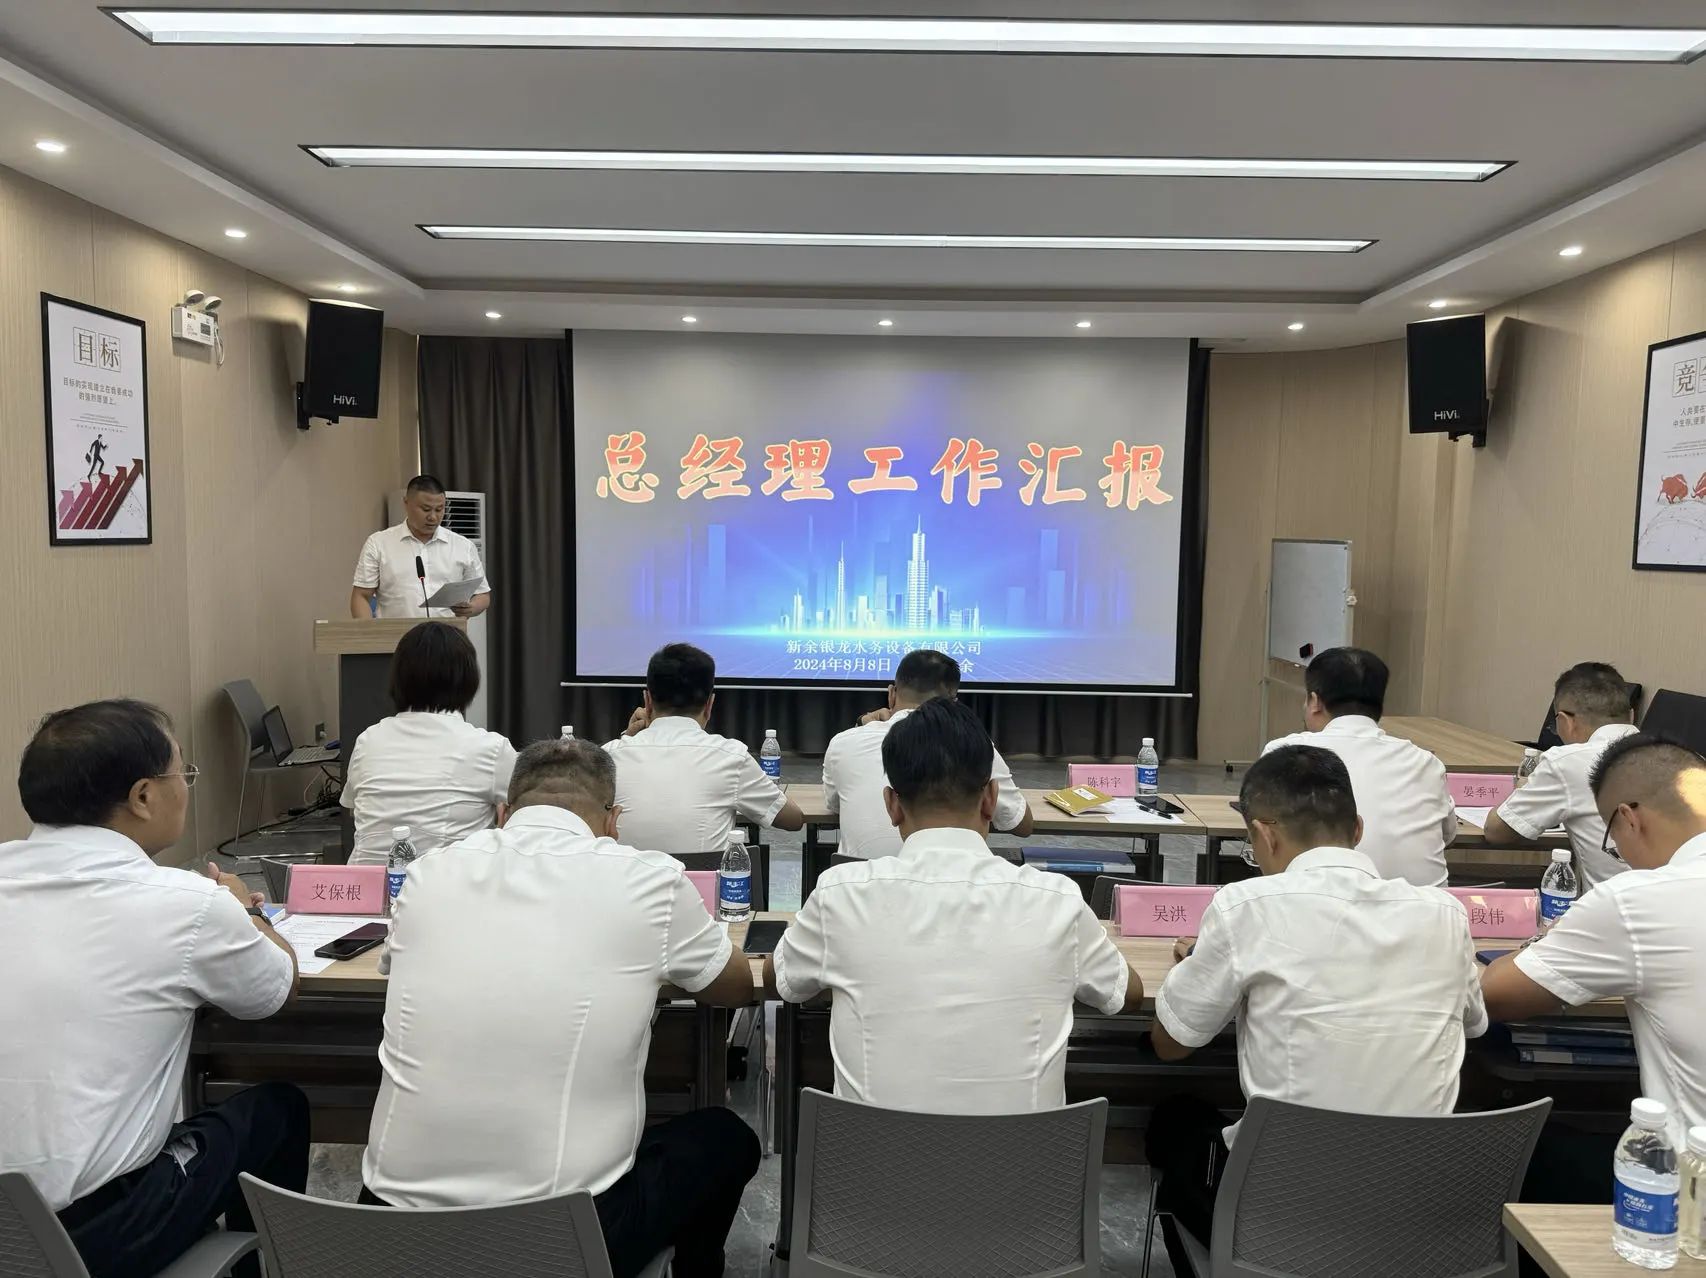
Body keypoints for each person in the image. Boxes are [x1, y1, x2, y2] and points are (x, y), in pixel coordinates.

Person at [361, 737, 761, 1278]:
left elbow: (395, 965)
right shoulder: (649, 879)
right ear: (613, 821)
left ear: (503, 814)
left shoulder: (429, 873)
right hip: (558, 1242)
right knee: (724, 1138)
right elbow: (735, 988)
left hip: (384, 1233)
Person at [1146, 745, 1486, 1271]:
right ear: (1358, 829)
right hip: (1416, 1214)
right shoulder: (1446, 914)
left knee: (1174, 1122)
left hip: (1281, 1210)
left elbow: (1171, 1044)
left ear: (1264, 835)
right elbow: (1474, 1024)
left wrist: (1203, 965)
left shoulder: (1245, 908)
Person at [0, 700, 305, 1278]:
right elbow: (277, 989)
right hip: (91, 1235)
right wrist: (247, 912)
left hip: (11, 1224)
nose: (186, 788)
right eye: (183, 773)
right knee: (277, 1111)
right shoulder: (188, 905)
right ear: (143, 796)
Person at [767, 697, 1143, 1113]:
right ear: (991, 798)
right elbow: (1126, 994)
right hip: (1024, 1158)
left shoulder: (839, 894)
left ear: (891, 804)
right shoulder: (1059, 901)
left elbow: (779, 979)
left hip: (873, 1156)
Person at [1481, 733, 1706, 1206]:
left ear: (1629, 819)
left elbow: (1492, 995)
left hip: (1687, 1200)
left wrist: (1549, 937)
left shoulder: (1638, 900)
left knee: (1509, 1150)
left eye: (1613, 843)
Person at [1261, 646, 1456, 886]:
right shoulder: (1425, 762)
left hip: (1316, 903)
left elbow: (1263, 836)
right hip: (1424, 907)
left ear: (1314, 702)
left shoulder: (1283, 753)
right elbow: (1448, 835)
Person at [822, 649, 1033, 859]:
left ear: (892, 694)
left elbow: (834, 805)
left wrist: (861, 724)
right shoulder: (973, 743)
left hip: (859, 877)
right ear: (953, 704)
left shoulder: (843, 742)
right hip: (951, 876)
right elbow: (1020, 823)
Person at [340, 621, 517, 865]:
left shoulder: (368, 740)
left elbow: (355, 810)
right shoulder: (491, 749)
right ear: (468, 679)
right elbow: (533, 816)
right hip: (446, 885)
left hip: (363, 885)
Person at [606, 643, 804, 855]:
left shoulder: (607, 757)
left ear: (647, 700)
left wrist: (627, 738)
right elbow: (793, 820)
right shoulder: (731, 757)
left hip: (627, 877)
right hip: (703, 878)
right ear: (710, 704)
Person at [1483, 661, 1637, 889]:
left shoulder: (1567, 762)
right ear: (1632, 716)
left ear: (1565, 722)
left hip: (1616, 906)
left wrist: (1523, 787)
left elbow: (1496, 831)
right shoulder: (1676, 756)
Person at [350, 473, 490, 620]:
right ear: (406, 503)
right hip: (396, 633)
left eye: (439, 509)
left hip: (448, 632)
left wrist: (472, 608)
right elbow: (361, 596)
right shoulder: (379, 543)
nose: (433, 517)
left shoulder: (463, 546)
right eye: (426, 509)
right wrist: (369, 631)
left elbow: (482, 594)